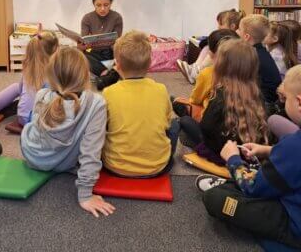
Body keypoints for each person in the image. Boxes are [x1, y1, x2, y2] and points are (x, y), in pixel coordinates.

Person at [198, 65, 301, 249]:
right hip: (286, 191)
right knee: (255, 177)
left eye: (286, 99)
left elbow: (254, 188)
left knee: (215, 198)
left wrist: (232, 159)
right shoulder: (292, 147)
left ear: (299, 102)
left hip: (291, 223)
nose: (284, 103)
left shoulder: (294, 147)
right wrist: (268, 150)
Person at [21, 47, 115, 218]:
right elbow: (91, 152)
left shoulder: (42, 94)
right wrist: (85, 196)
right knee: (96, 141)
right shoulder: (97, 103)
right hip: (65, 163)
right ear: (86, 75)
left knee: (30, 125)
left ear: (50, 76)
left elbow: (37, 132)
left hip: (33, 157)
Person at [102, 31, 179, 177]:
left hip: (115, 166)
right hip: (157, 167)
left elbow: (102, 126)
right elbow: (167, 123)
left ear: (117, 66)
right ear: (150, 63)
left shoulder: (108, 92)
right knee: (175, 124)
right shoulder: (161, 90)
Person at [179, 39, 269, 163]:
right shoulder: (257, 93)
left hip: (221, 152)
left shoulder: (220, 96)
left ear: (221, 67)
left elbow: (206, 127)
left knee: (184, 121)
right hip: (250, 151)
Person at [173, 29, 239, 118]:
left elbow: (195, 100)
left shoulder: (207, 73)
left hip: (211, 120)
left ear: (211, 52)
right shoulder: (246, 70)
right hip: (240, 119)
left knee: (177, 102)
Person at [177, 9, 245, 84]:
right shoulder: (224, 36)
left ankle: (196, 71)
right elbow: (206, 42)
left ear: (232, 26)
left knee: (212, 50)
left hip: (226, 65)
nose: (218, 27)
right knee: (207, 46)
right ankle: (195, 68)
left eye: (221, 24)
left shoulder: (232, 39)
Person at [80, 0, 123, 90]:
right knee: (81, 56)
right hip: (93, 53)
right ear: (93, 4)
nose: (102, 9)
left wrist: (116, 49)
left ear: (111, 3)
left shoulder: (117, 17)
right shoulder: (87, 18)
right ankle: (108, 73)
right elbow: (84, 41)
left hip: (110, 51)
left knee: (126, 55)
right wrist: (82, 46)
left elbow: (117, 41)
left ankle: (106, 74)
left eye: (106, 5)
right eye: (98, 5)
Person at [237, 14, 281, 107]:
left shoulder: (251, 56)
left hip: (263, 103)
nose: (237, 32)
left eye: (239, 29)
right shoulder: (260, 51)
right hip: (268, 98)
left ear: (246, 36)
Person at [17, 32, 59, 126]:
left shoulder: (27, 69)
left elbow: (20, 90)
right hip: (37, 119)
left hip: (21, 116)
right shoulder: (52, 72)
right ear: (54, 50)